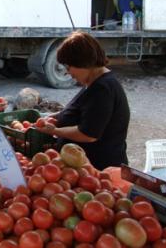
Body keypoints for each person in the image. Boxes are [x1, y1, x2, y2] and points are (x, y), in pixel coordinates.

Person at [36, 31, 130, 170]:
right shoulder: (93, 82)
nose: (68, 72)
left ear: (82, 62)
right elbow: (82, 111)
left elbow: (88, 134)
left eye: (69, 67)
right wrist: (56, 116)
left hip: (99, 168)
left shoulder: (102, 89)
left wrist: (55, 131)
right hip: (82, 166)